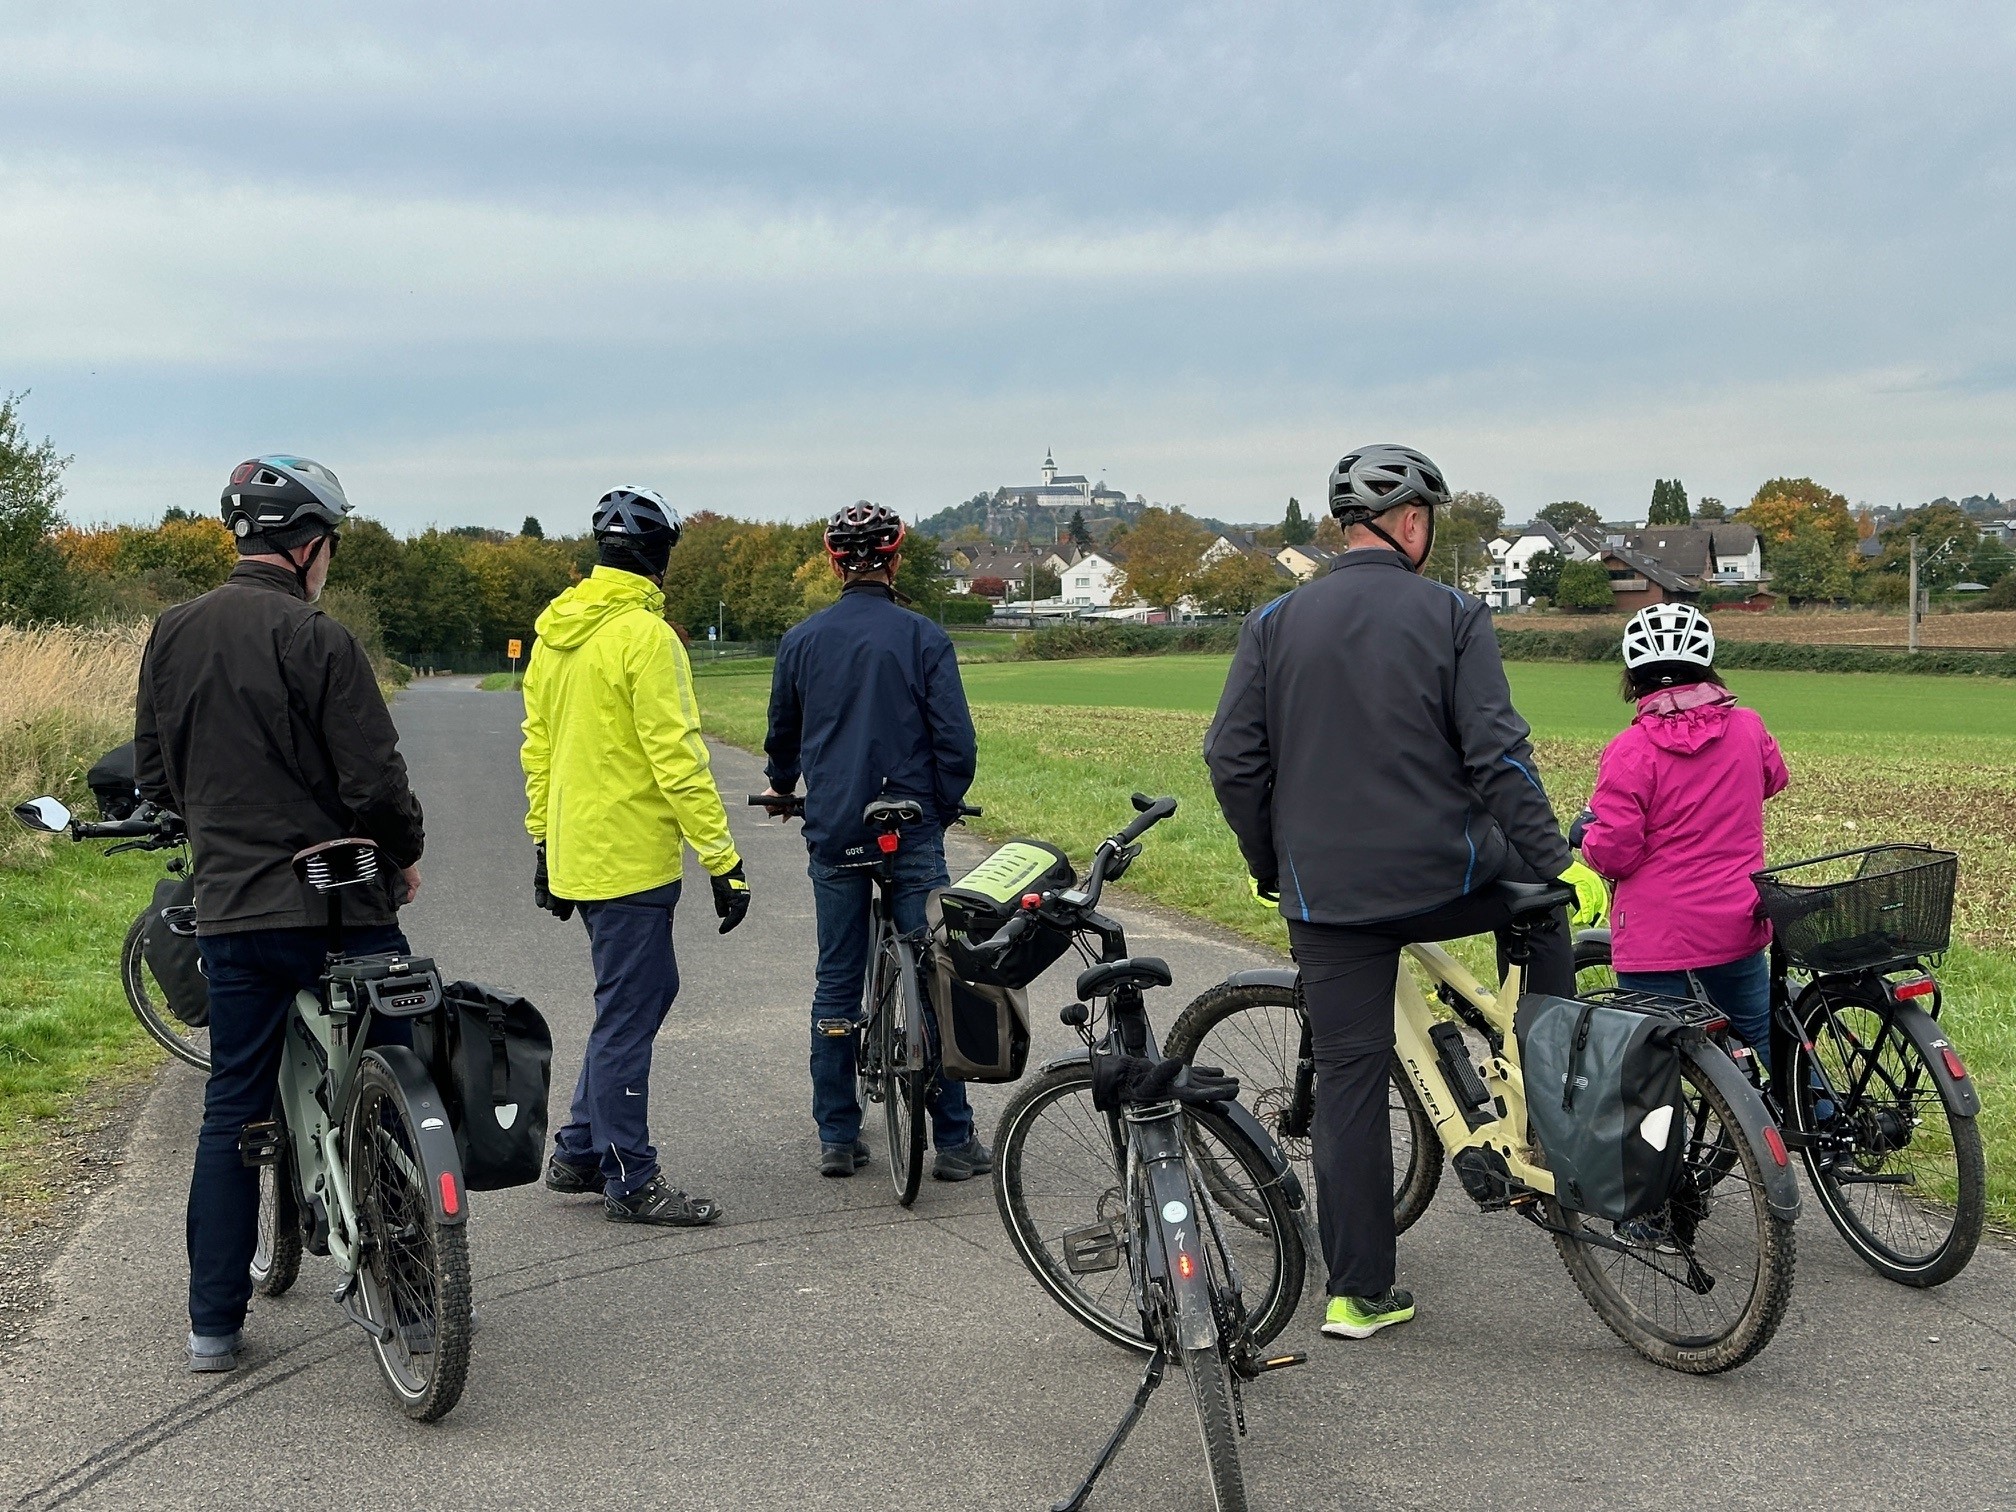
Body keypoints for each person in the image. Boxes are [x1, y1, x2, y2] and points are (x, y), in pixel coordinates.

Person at [1205, 443, 1606, 1342]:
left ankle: (1359, 1295)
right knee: (1539, 911)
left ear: (1350, 528)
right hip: (1448, 878)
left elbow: (1232, 759)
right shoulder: (1453, 614)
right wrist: (1556, 863)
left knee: (1348, 1081)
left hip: (1328, 895)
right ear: (1414, 523)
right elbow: (1497, 757)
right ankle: (1541, 1097)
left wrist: (1274, 864)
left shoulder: (1273, 622)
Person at [135, 455, 425, 1372]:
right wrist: (403, 856)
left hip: (232, 910)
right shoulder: (318, 640)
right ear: (309, 546)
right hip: (340, 907)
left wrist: (215, 829)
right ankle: (418, 1287)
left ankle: (212, 1328)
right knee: (401, 1064)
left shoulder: (171, 634)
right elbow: (375, 781)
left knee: (229, 1111)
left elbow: (155, 777)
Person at [519, 486, 747, 1227]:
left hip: (580, 851)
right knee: (631, 1007)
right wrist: (722, 860)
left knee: (634, 997)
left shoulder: (557, 633)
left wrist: (544, 843)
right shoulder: (647, 640)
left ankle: (580, 1149)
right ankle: (628, 1175)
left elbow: (539, 747)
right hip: (630, 859)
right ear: (658, 559)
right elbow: (678, 757)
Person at [758, 502, 991, 1181]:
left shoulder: (802, 640)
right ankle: (953, 1139)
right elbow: (957, 741)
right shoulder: (923, 637)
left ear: (835, 562)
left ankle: (838, 1133)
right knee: (936, 971)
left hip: (837, 825)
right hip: (910, 823)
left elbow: (783, 735)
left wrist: (781, 785)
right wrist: (940, 806)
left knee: (837, 976)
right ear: (894, 559)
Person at [1574, 604, 1789, 1072]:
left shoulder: (1630, 750)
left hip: (1657, 937)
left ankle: (1668, 1145)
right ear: (1706, 666)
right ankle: (1819, 1127)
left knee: (1652, 1067)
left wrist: (1587, 833)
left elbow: (1615, 853)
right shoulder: (1748, 727)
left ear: (1633, 677)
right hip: (1737, 921)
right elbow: (1773, 779)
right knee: (1763, 1039)